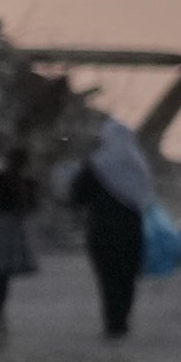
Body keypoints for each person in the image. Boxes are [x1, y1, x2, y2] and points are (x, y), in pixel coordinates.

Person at [67, 124, 157, 340]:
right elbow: (147, 198)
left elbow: (76, 195)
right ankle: (122, 320)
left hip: (101, 229)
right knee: (127, 277)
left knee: (107, 278)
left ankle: (112, 322)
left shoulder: (96, 164)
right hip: (131, 230)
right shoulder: (137, 164)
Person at [0, 147, 42, 343]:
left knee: (0, 274)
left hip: (1, 227)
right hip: (9, 227)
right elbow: (28, 207)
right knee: (2, 274)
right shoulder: (13, 181)